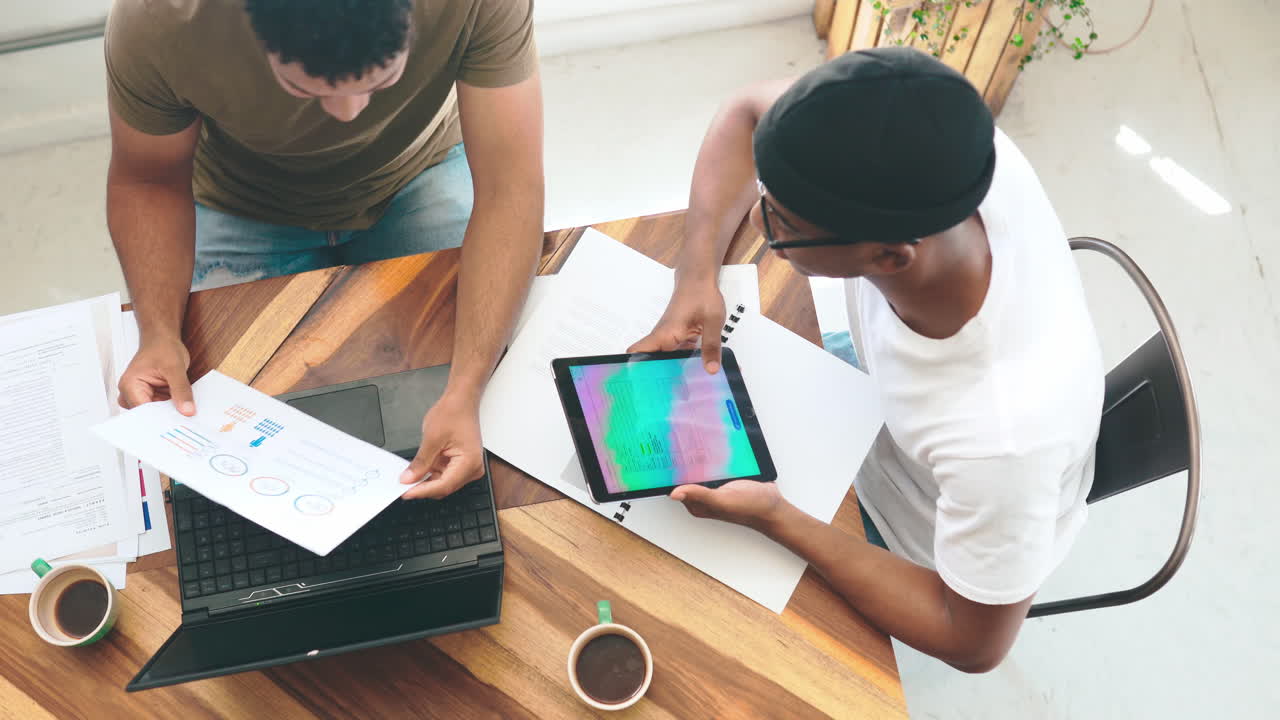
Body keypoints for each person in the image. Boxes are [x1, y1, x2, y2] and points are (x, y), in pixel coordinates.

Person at [631, 48, 1104, 672]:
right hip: (881, 401)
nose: (754, 218)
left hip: (918, 532)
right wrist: (696, 276)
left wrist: (779, 520)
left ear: (889, 257)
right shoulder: (936, 140)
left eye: (781, 223)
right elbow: (746, 113)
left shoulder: (1002, 438)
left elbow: (971, 639)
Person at [105, 0, 544, 500]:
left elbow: (511, 187)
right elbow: (148, 181)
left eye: (380, 83)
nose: (348, 115)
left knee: (498, 398)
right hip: (243, 203)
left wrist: (466, 389)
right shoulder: (157, 18)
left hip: (418, 172)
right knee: (212, 439)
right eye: (302, 88)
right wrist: (158, 332)